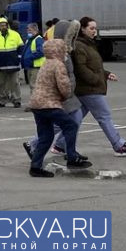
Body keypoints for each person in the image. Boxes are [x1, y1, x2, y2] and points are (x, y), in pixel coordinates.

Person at [27, 39, 92, 177]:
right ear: (59, 50)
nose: (66, 52)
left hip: (37, 104)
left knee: (46, 136)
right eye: (64, 49)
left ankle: (35, 166)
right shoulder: (58, 64)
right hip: (49, 104)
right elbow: (64, 86)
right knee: (71, 126)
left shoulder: (46, 62)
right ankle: (72, 157)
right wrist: (67, 95)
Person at [66, 16, 126, 155]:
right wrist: (96, 79)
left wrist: (105, 74)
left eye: (95, 28)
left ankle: (59, 145)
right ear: (82, 29)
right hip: (89, 89)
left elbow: (93, 66)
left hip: (87, 89)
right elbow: (81, 68)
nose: (95, 31)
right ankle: (119, 146)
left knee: (73, 119)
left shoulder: (88, 44)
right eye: (91, 28)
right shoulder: (80, 46)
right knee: (104, 116)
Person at [24, 20, 85, 159]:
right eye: (72, 33)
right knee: (69, 122)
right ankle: (66, 152)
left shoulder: (66, 52)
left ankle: (66, 149)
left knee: (73, 120)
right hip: (61, 96)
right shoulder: (59, 54)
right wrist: (66, 93)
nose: (75, 36)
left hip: (65, 95)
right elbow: (62, 78)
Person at [0, 17, 24, 108]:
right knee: (0, 83)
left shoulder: (15, 34)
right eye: (1, 25)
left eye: (5, 25)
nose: (4, 27)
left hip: (13, 63)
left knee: (15, 83)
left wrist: (18, 58)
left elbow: (20, 47)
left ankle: (16, 100)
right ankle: (1, 100)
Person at [22, 23, 45, 102]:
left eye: (29, 30)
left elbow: (41, 52)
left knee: (34, 86)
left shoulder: (38, 39)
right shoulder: (30, 39)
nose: (28, 31)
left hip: (36, 66)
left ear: (35, 30)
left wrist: (29, 57)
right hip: (31, 65)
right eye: (27, 29)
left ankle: (35, 103)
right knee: (33, 85)